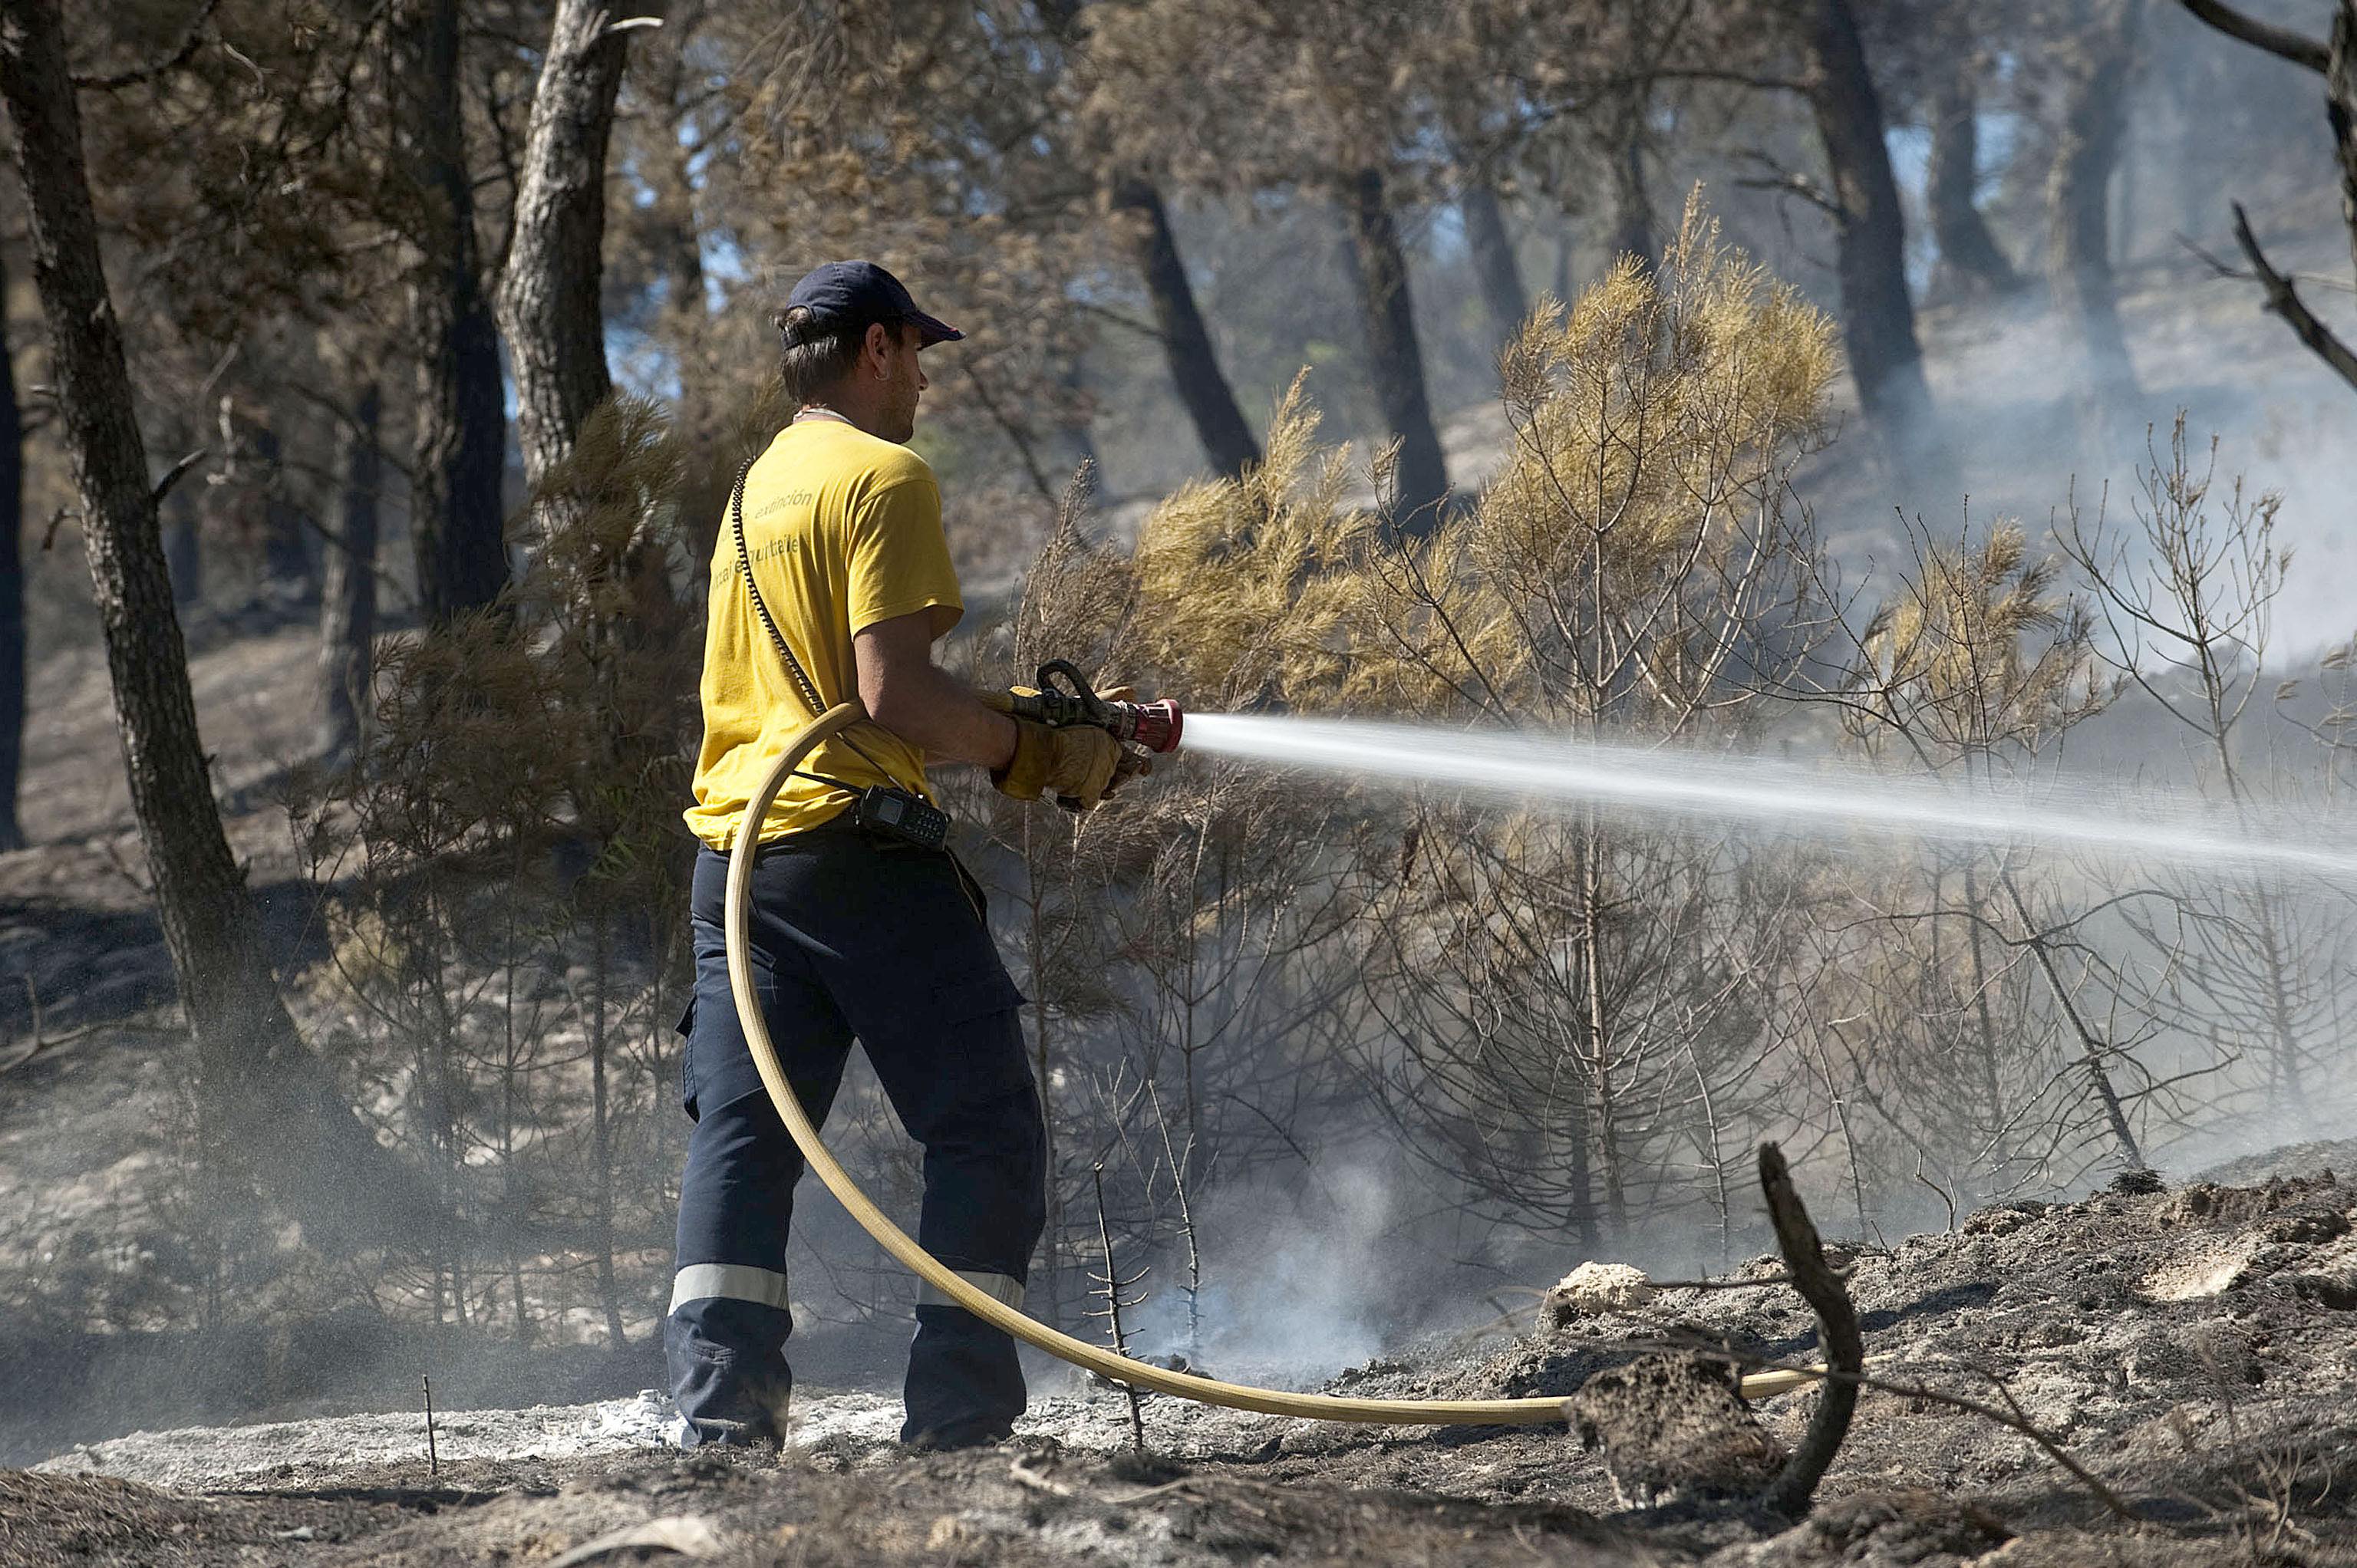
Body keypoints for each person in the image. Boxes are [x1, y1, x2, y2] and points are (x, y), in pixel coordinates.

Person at [667, 260, 1131, 1450]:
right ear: (876, 348)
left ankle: (720, 1433)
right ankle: (959, 1430)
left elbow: (818, 683)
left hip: (735, 865)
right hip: (855, 852)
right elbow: (888, 695)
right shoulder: (884, 475)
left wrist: (1013, 720)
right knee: (984, 1126)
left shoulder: (751, 492)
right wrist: (1028, 755)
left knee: (742, 1140)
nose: (923, 377)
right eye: (918, 352)